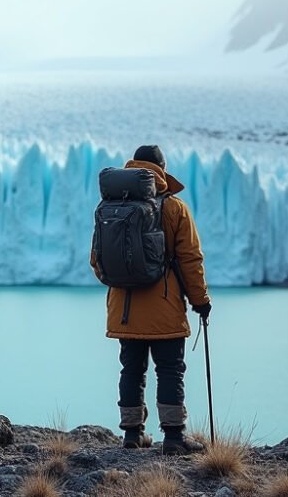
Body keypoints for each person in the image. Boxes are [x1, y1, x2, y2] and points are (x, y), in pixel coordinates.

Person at [90, 144, 212, 454]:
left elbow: (97, 260)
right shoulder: (174, 208)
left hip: (124, 310)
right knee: (170, 370)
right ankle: (173, 437)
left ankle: (132, 434)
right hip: (165, 308)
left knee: (131, 370)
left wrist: (120, 285)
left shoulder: (110, 206)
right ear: (161, 169)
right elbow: (190, 260)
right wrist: (200, 301)